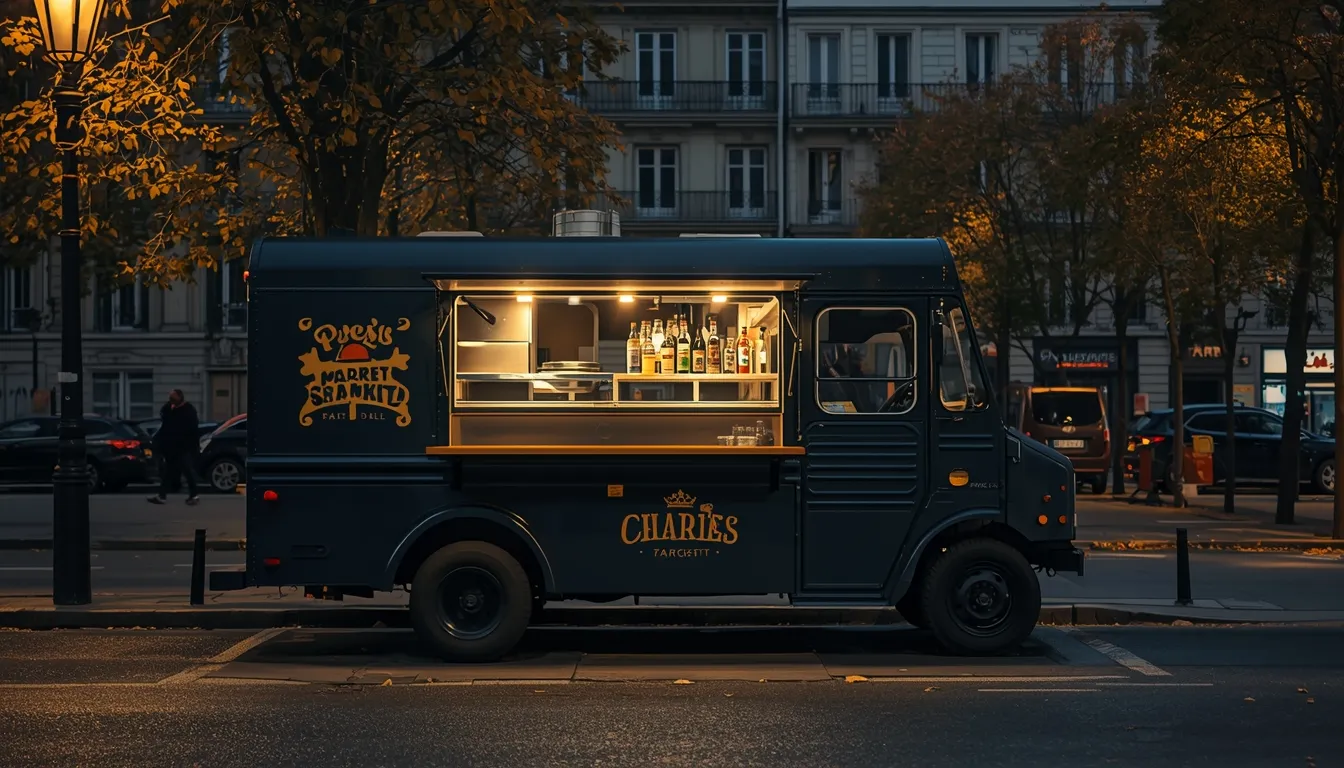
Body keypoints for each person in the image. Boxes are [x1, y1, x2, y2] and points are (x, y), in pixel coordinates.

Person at [148, 389, 201, 506]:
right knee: (169, 472)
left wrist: (192, 446)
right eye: (170, 398)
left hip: (183, 447)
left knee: (187, 471)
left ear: (180, 398)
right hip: (171, 448)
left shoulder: (188, 410)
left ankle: (194, 495)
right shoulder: (169, 409)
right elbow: (165, 424)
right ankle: (162, 496)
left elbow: (192, 430)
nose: (171, 400)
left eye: (173, 398)